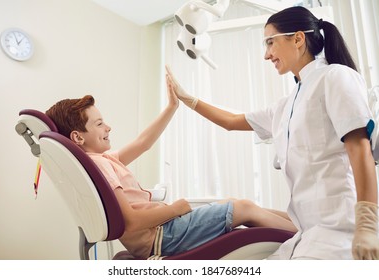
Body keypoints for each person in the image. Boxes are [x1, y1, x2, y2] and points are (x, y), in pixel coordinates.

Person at [166, 6, 379, 260]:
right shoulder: (286, 105)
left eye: (270, 42)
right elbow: (233, 121)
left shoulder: (336, 77)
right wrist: (187, 98)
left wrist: (368, 225)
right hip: (308, 234)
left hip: (340, 232)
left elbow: (359, 148)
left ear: (298, 39)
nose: (267, 55)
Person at [45, 74, 296, 259]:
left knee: (238, 203)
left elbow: (143, 143)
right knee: (243, 208)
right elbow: (130, 222)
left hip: (163, 232)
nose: (108, 127)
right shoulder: (100, 165)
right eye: (99, 124)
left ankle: (304, 224)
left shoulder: (104, 160)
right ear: (78, 137)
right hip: (162, 237)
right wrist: (177, 208)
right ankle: (306, 238)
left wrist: (172, 107)